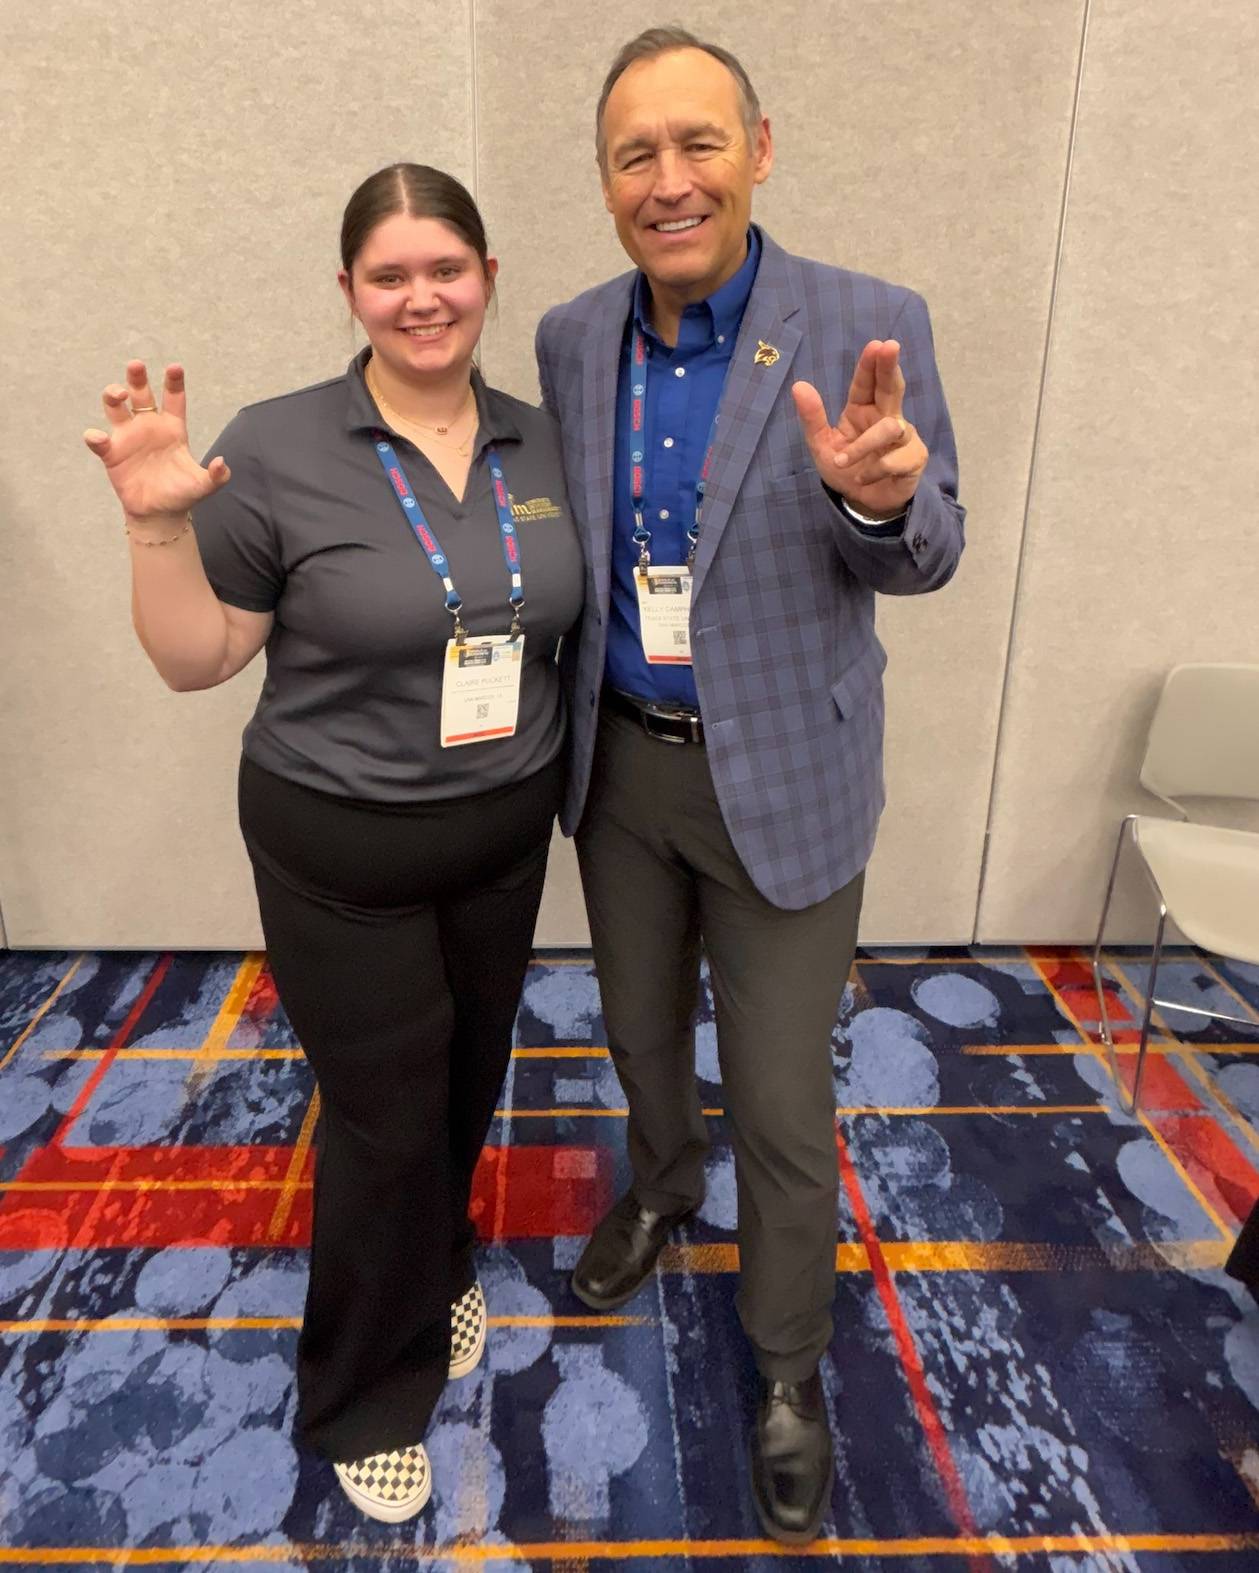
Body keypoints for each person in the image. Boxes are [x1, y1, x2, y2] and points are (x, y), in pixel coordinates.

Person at [84, 164, 583, 1523]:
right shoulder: (283, 443)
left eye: (448, 268)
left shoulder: (542, 442)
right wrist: (155, 518)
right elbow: (199, 657)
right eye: (389, 274)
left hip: (501, 834)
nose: (423, 296)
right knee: (384, 1112)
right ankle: (365, 1387)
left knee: (472, 1071)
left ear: (486, 275)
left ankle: (442, 1256)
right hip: (337, 842)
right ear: (350, 292)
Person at [535, 28, 966, 1546]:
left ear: (760, 150)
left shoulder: (865, 321)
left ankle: (788, 1363)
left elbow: (930, 547)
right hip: (624, 776)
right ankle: (660, 1184)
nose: (671, 180)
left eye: (698, 143)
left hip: (786, 781)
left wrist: (882, 502)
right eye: (635, 154)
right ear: (603, 183)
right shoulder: (575, 338)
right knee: (643, 1033)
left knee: (784, 1103)